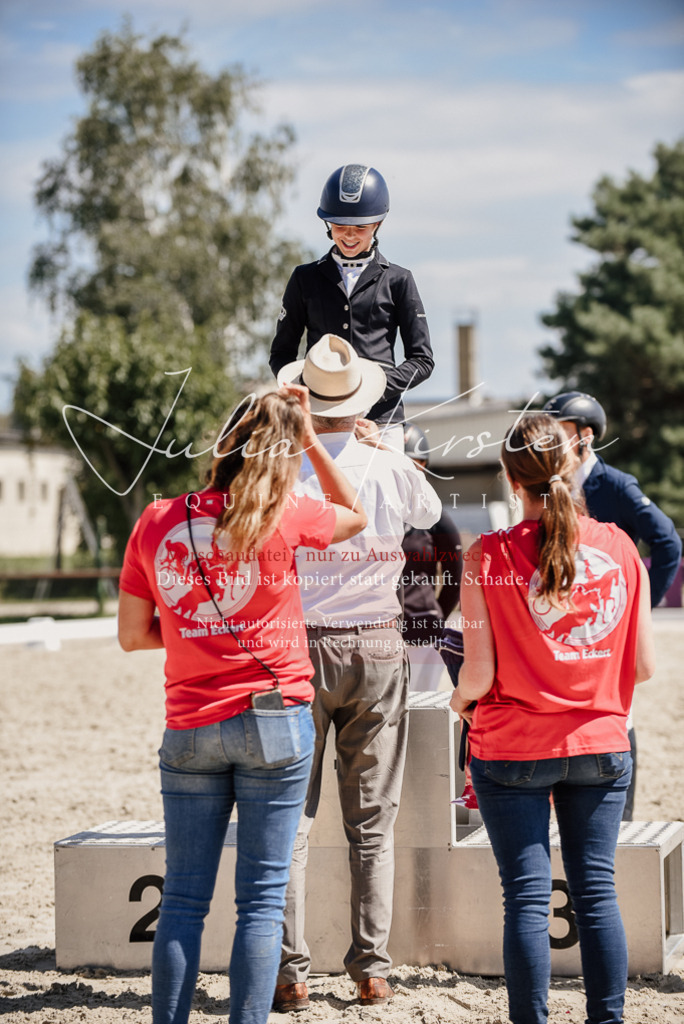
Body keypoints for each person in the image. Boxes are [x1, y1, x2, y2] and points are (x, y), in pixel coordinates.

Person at [117, 386, 368, 1024]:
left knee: (183, 900)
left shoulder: (155, 519)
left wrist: (190, 633)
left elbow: (130, 634)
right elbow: (355, 512)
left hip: (191, 723)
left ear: (221, 444)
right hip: (276, 718)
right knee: (260, 902)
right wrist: (309, 434)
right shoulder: (287, 512)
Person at [450, 412, 655, 1024]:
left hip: (512, 748)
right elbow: (642, 667)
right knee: (597, 894)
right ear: (570, 467)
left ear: (512, 481)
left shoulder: (486, 555)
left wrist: (461, 703)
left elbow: (479, 676)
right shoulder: (620, 546)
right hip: (600, 742)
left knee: (527, 901)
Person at [273, 334, 442, 1010]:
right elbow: (430, 517)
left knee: (291, 818)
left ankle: (291, 972)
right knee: (371, 820)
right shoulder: (389, 464)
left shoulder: (283, 466)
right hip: (374, 644)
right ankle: (370, 966)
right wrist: (386, 447)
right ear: (361, 401)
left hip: (297, 644)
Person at [543, 390, 681, 818]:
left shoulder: (616, 484)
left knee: (622, 712)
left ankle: (622, 814)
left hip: (610, 620)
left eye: (559, 433)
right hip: (567, 626)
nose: (549, 442)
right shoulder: (551, 487)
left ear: (585, 437)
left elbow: (667, 542)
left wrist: (642, 607)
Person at [269, 163, 435, 451]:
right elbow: (281, 353)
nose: (348, 235)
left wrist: (372, 387)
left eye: (360, 228)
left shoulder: (399, 280)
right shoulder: (304, 279)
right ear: (327, 224)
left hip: (381, 421)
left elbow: (422, 360)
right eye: (339, 226)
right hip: (318, 421)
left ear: (377, 224)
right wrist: (309, 395)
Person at [400, 421, 463, 691]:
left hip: (422, 632)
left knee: (420, 716)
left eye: (416, 464)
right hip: (373, 631)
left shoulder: (436, 518)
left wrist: (433, 616)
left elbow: (454, 577)